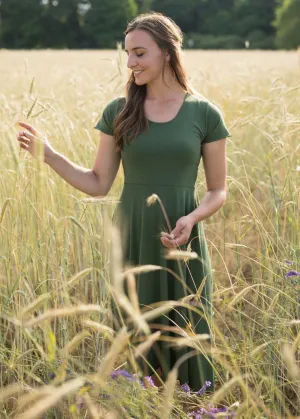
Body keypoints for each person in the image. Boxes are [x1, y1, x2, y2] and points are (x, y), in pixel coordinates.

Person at [16, 12, 231, 393]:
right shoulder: (120, 110)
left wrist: (193, 218)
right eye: (127, 54)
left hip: (183, 238)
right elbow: (98, 183)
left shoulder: (204, 113)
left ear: (167, 52)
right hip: (132, 237)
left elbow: (218, 190)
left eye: (139, 53)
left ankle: (195, 408)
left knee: (189, 330)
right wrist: (48, 155)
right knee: (136, 333)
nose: (130, 63)